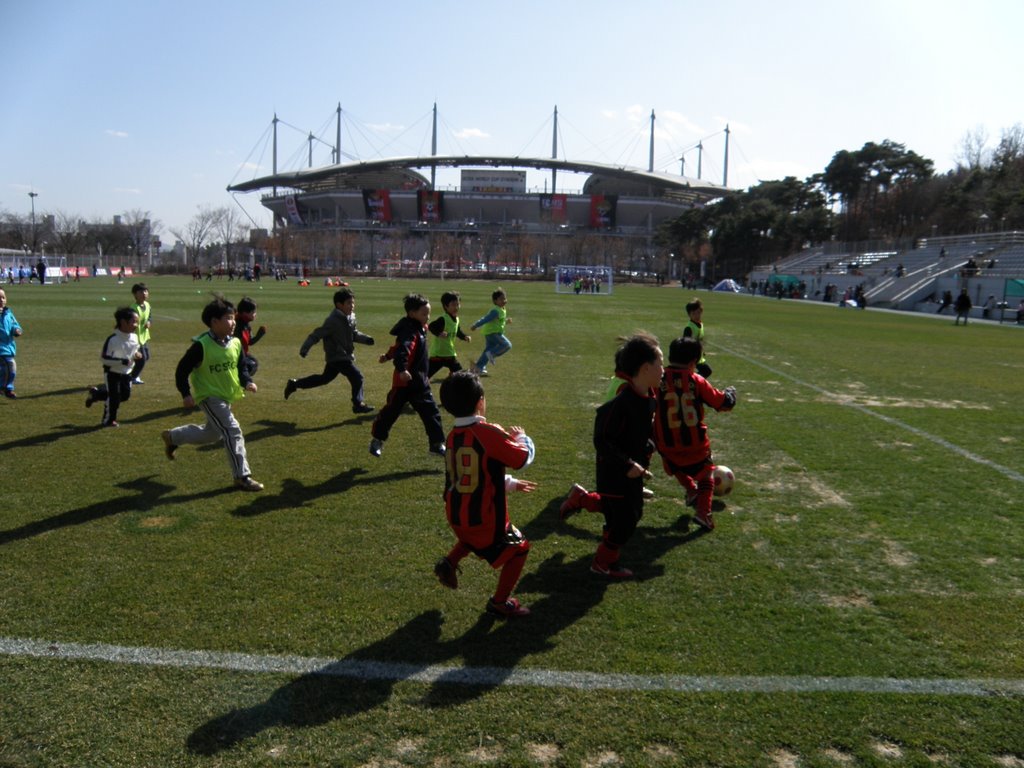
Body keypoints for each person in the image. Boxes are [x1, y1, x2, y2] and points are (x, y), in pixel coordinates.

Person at [559, 333, 663, 579]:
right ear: (646, 368)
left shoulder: (649, 397)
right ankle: (602, 563)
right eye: (660, 365)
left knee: (621, 511)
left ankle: (582, 500)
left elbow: (642, 434)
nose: (663, 370)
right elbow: (602, 439)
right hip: (614, 472)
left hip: (631, 472)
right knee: (625, 520)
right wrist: (627, 463)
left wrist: (648, 450)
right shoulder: (622, 401)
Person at [433, 370, 537, 618]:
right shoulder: (487, 432)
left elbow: (477, 474)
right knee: (519, 548)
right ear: (480, 401)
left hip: (456, 513)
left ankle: (449, 562)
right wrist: (523, 438)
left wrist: (509, 483)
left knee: (472, 537)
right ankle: (500, 603)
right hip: (484, 518)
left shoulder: (453, 435)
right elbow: (522, 458)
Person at [160, 297, 263, 492]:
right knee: (233, 431)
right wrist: (186, 393)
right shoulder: (201, 346)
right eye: (229, 318)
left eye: (233, 318)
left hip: (226, 395)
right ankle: (242, 476)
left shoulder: (235, 343)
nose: (233, 322)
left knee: (211, 434)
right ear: (214, 322)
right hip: (209, 397)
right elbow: (182, 370)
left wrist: (247, 381)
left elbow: (241, 367)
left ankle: (173, 437)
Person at [653, 337, 737, 530]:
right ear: (693, 363)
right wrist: (731, 395)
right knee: (707, 476)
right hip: (695, 445)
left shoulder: (657, 379)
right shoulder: (696, 381)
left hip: (666, 444)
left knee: (675, 465)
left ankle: (691, 490)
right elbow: (721, 403)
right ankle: (703, 513)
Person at [369, 293, 446, 458]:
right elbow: (403, 349)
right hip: (404, 384)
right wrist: (402, 369)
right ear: (412, 314)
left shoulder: (421, 327)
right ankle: (377, 440)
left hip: (419, 382)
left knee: (431, 413)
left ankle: (436, 444)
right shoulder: (409, 331)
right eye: (424, 314)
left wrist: (387, 355)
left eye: (428, 313)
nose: (427, 317)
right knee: (390, 412)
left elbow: (396, 347)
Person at [284, 288, 374, 413]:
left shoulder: (350, 317)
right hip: (338, 356)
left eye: (353, 303)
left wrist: (366, 339)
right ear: (339, 305)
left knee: (325, 378)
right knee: (357, 377)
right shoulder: (332, 321)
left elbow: (353, 334)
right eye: (349, 303)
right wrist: (305, 348)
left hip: (343, 356)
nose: (352, 306)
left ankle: (294, 384)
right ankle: (358, 404)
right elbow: (316, 334)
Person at [85, 307, 142, 427]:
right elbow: (104, 358)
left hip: (127, 373)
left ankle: (96, 394)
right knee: (114, 398)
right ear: (123, 322)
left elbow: (134, 349)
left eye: (137, 322)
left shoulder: (135, 337)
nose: (136, 325)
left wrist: (136, 354)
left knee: (125, 396)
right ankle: (109, 420)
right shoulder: (113, 339)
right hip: (112, 373)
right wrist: (121, 361)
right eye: (134, 321)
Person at [427, 291, 471, 379]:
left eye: (458, 304)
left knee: (459, 374)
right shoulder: (443, 319)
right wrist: (439, 333)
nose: (457, 307)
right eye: (454, 305)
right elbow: (431, 326)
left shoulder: (457, 319)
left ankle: (452, 383)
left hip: (450, 354)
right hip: (438, 355)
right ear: (446, 306)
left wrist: (464, 336)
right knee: (425, 375)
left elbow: (457, 331)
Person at [470, 288, 511, 376]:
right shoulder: (495, 311)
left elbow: (499, 321)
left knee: (488, 349)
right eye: (501, 299)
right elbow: (486, 319)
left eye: (505, 298)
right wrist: (476, 325)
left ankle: (479, 367)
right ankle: (491, 355)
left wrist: (506, 321)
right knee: (507, 345)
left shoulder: (502, 309)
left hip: (492, 332)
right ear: (495, 301)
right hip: (493, 333)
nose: (504, 301)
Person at [233, 296, 267, 381]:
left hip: (241, 353)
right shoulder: (236, 325)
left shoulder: (246, 324)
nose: (255, 314)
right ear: (245, 313)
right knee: (250, 364)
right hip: (233, 355)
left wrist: (260, 334)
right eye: (253, 312)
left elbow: (250, 342)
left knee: (253, 363)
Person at [0, 289, 23, 399]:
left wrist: (17, 330)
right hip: (2, 349)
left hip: (8, 347)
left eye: (3, 297)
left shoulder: (8, 313)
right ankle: (6, 388)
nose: (1, 300)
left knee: (4, 370)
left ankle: (6, 389)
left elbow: (14, 324)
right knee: (10, 366)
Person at [681, 298, 712, 378]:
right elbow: (685, 343)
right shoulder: (689, 328)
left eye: (698, 313)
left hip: (698, 355)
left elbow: (700, 339)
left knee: (705, 371)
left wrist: (702, 350)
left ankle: (693, 382)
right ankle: (694, 382)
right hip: (692, 356)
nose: (696, 315)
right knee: (706, 371)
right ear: (689, 315)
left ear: (701, 312)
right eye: (693, 314)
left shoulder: (700, 324)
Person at [128, 283, 152, 384]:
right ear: (135, 294)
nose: (144, 293)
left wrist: (149, 322)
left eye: (146, 291)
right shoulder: (133, 308)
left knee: (146, 357)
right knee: (142, 359)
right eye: (141, 291)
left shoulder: (147, 305)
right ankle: (133, 377)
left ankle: (131, 374)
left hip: (144, 337)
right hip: (135, 339)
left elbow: (149, 316)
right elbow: (129, 324)